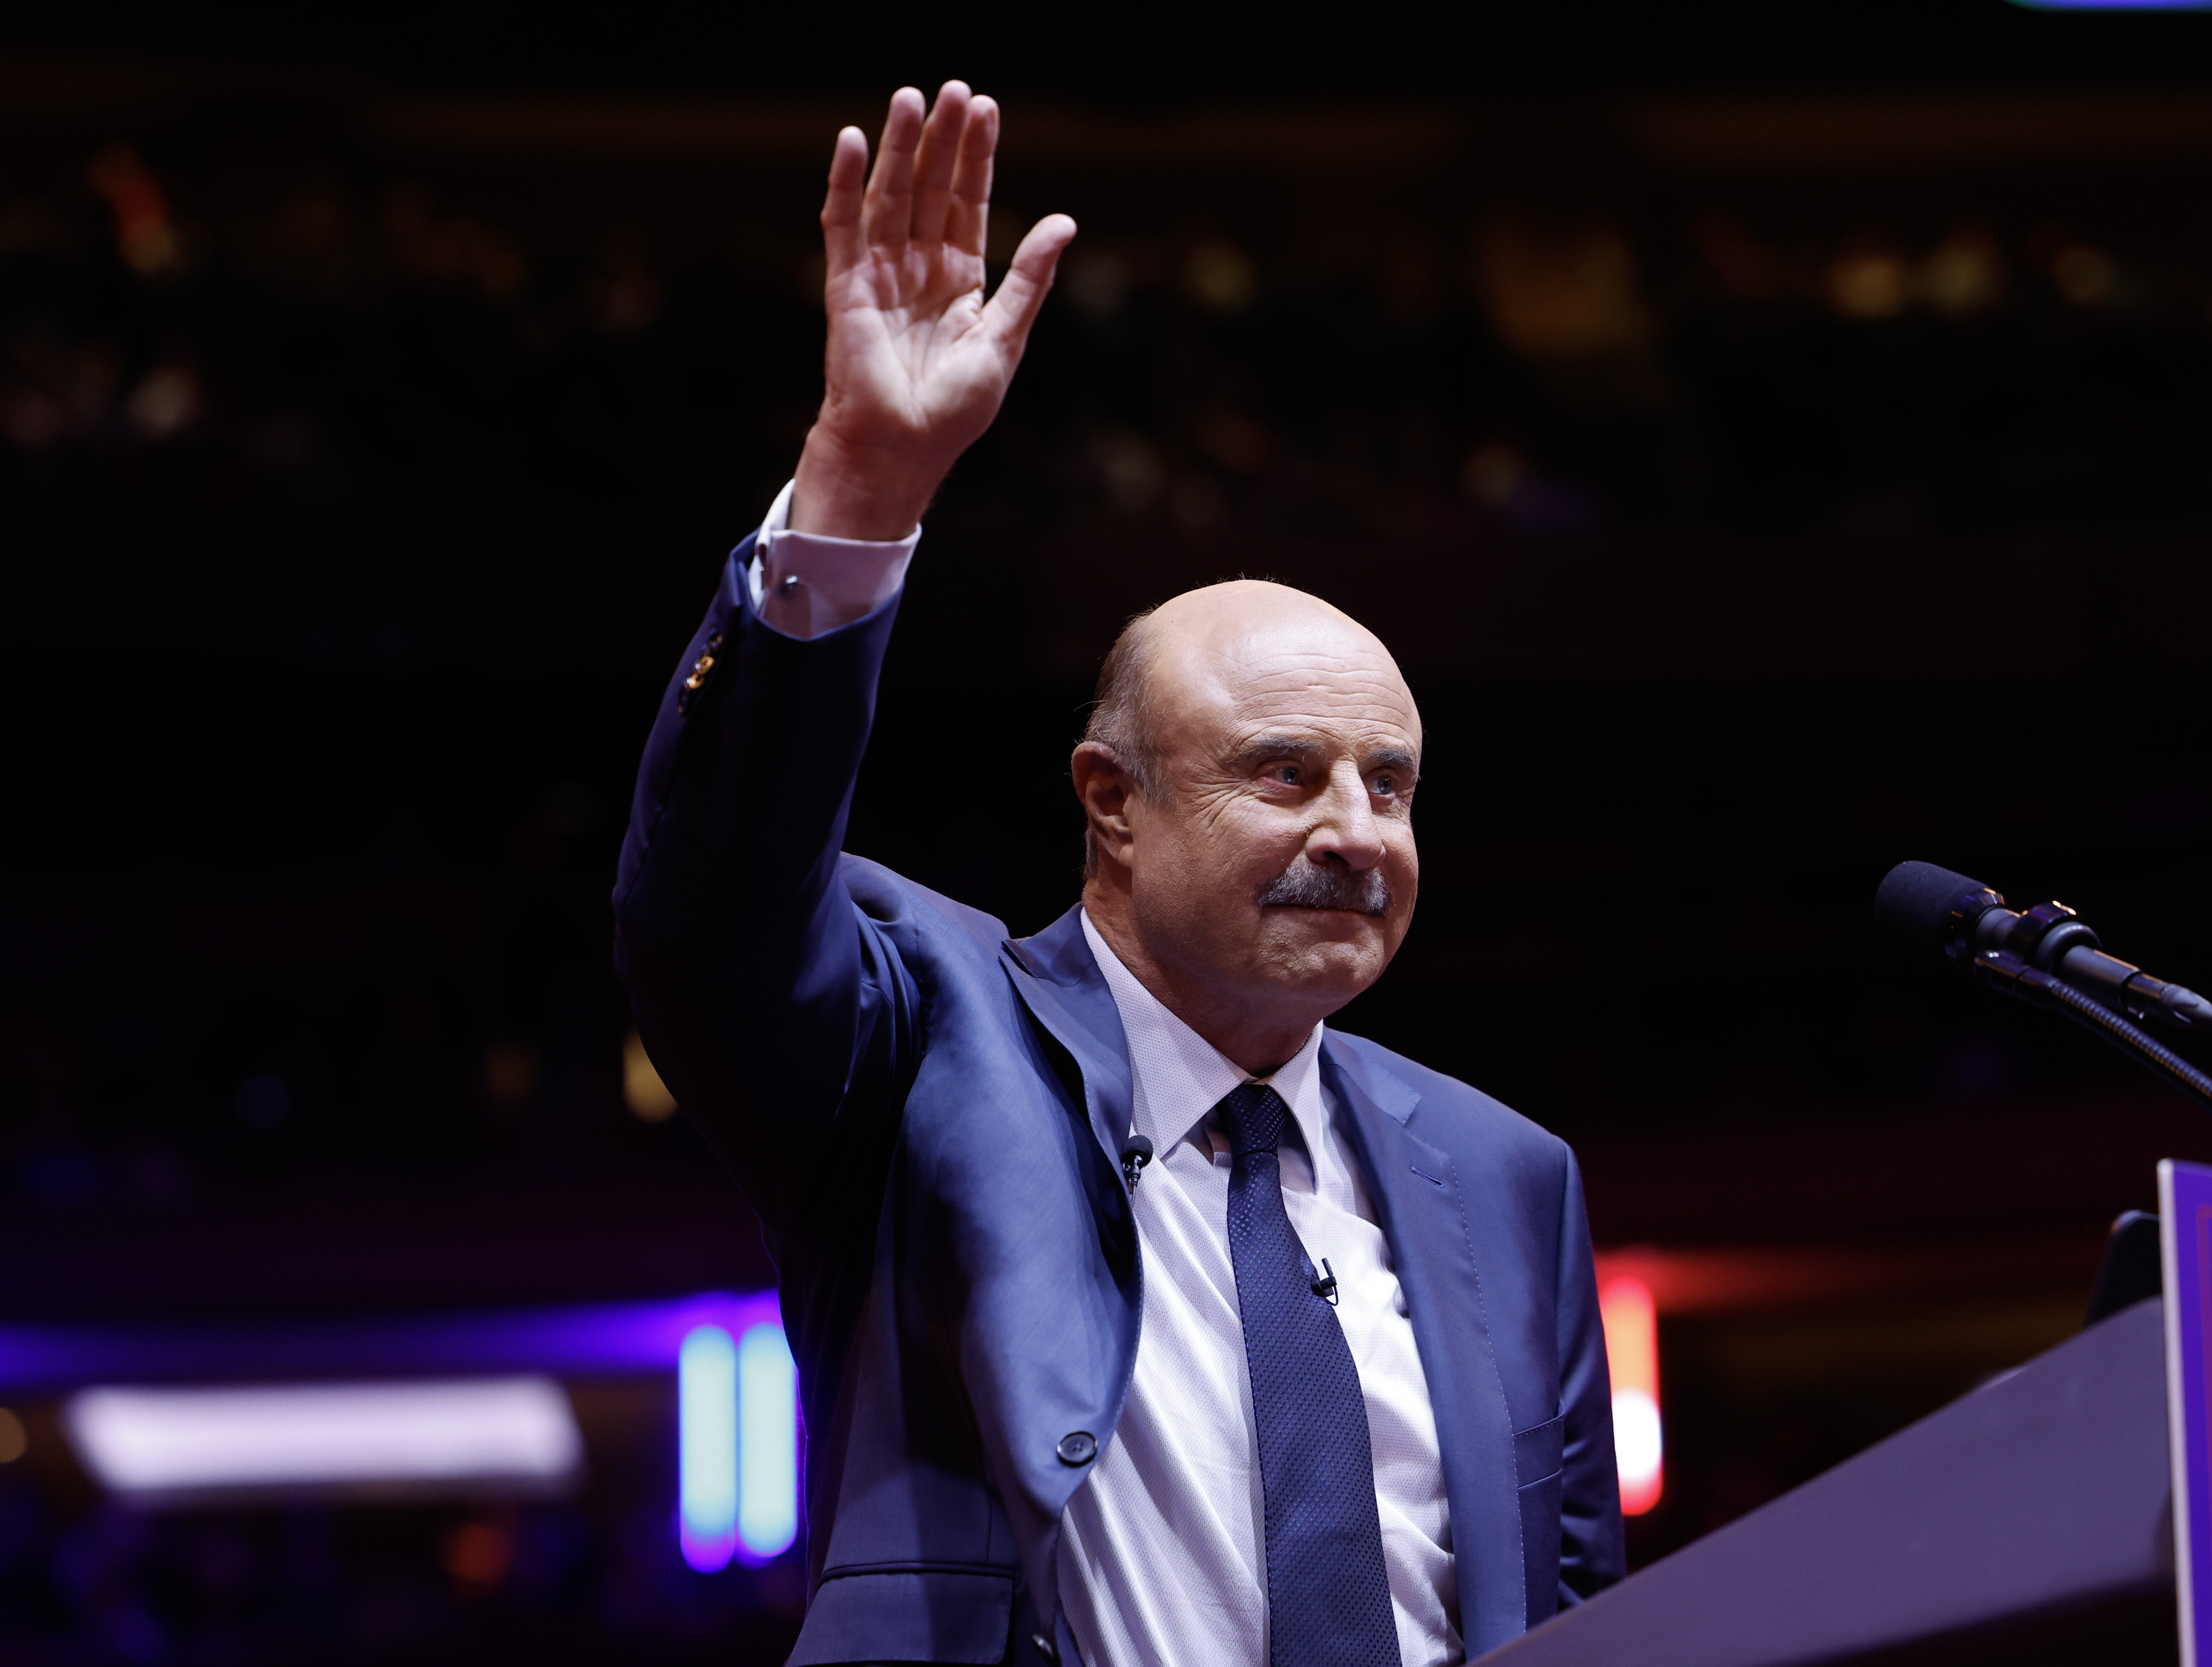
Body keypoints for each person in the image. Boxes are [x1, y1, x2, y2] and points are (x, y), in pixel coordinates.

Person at [614, 81, 1621, 1667]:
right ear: (1114, 803)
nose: (1357, 832)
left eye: (1393, 785)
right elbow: (711, 901)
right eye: (1285, 772)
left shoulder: (1509, 1175)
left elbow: (1576, 1617)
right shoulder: (921, 1043)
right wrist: (861, 495)